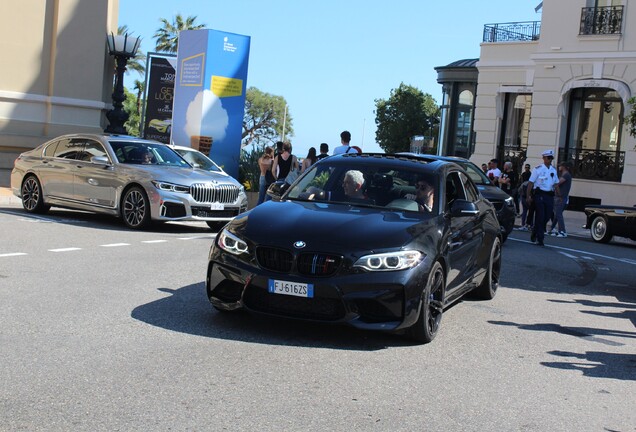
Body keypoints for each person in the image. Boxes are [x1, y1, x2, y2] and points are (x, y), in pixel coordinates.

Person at [526, 149, 559, 246]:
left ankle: (535, 231)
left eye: (551, 158)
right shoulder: (538, 169)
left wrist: (560, 196)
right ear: (543, 158)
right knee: (540, 216)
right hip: (539, 195)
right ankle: (540, 238)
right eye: (548, 158)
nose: (550, 160)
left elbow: (556, 184)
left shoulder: (553, 170)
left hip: (549, 196)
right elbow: (530, 183)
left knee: (547, 216)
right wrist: (528, 196)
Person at [549, 161, 573, 238]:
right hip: (559, 197)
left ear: (564, 167)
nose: (559, 167)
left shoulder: (566, 175)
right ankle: (552, 229)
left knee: (558, 214)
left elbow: (557, 183)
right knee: (556, 215)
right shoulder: (564, 175)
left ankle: (562, 231)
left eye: (560, 166)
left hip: (561, 198)